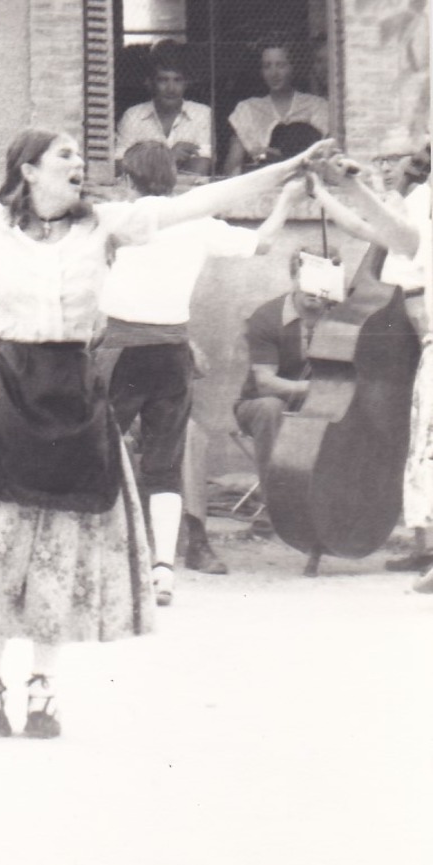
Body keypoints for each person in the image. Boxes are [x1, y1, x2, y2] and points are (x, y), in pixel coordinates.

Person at [0, 110, 332, 738]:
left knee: (56, 546)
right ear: (28, 171)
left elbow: (202, 202)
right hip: (8, 389)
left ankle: (45, 685)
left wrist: (292, 166)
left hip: (74, 394)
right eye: (64, 155)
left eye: (79, 155)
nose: (79, 163)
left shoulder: (106, 224)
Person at [99, 141, 304, 603]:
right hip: (172, 351)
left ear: (127, 179)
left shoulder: (116, 217)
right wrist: (288, 200)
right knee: (164, 465)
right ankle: (164, 570)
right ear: (172, 179)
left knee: (99, 451)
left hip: (122, 348)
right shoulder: (196, 224)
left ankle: (108, 558)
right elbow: (264, 242)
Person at [304, 133, 431, 577]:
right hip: (407, 322)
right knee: (417, 440)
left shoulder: (416, 202)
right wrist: (324, 193)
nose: (388, 165)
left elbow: (393, 232)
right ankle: (425, 543)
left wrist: (358, 189)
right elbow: (366, 229)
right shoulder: (407, 203)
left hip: (415, 319)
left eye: (396, 158)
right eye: (382, 158)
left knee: (420, 440)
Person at [234, 248, 337, 491]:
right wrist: (316, 390)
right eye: (308, 278)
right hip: (259, 404)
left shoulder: (343, 316)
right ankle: (275, 509)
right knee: (271, 407)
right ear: (294, 278)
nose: (315, 289)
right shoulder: (268, 316)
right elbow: (265, 383)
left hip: (318, 408)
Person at [221, 34, 331, 176]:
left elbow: (325, 157)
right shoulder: (247, 109)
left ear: (292, 67)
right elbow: (232, 166)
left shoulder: (316, 106)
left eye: (281, 65)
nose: (274, 73)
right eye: (267, 66)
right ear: (261, 71)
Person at [115, 42, 214, 177]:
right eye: (163, 80)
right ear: (150, 83)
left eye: (177, 80)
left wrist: (143, 165)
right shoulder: (133, 116)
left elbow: (199, 171)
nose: (171, 89)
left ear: (186, 84)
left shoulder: (202, 114)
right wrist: (169, 157)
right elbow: (121, 168)